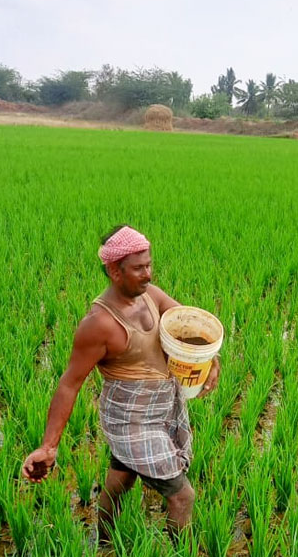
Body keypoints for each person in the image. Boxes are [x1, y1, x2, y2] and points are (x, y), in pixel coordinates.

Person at [21, 225, 220, 539]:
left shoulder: (149, 296)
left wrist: (208, 358)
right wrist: (49, 446)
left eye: (149, 264)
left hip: (160, 410)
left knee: (121, 480)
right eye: (139, 268)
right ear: (115, 270)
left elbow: (185, 320)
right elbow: (69, 383)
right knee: (183, 497)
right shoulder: (99, 324)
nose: (149, 274)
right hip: (131, 421)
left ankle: (103, 538)